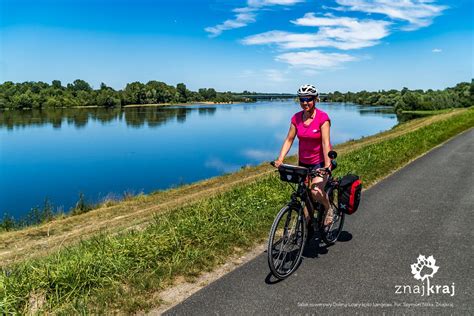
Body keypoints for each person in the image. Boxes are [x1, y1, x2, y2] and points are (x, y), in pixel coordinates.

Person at [273, 84, 334, 226]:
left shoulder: (322, 118)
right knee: (304, 195)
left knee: (315, 191)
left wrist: (327, 166)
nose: (305, 102)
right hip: (303, 163)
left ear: (315, 99)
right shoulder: (296, 118)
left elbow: (326, 143)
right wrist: (280, 159)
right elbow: (289, 139)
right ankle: (308, 226)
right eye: (302, 99)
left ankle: (329, 208)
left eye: (308, 99)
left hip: (319, 162)